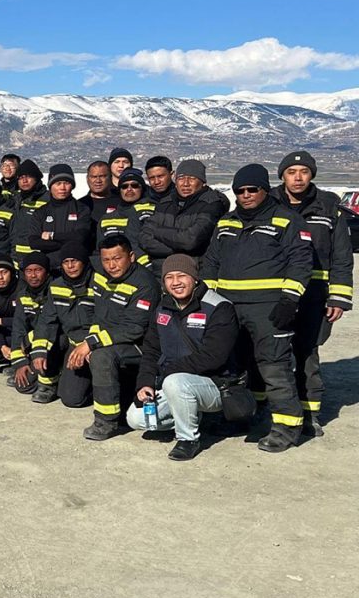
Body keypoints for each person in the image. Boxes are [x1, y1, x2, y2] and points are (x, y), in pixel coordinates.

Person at [201, 164, 313, 453]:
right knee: (235, 368)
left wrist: (290, 299)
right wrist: (210, 299)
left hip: (268, 309)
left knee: (273, 367)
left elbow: (300, 262)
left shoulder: (287, 221)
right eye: (240, 190)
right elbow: (211, 262)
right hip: (228, 309)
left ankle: (287, 427)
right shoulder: (226, 223)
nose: (246, 195)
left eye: (252, 189)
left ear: (265, 189)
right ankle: (241, 416)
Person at [126, 254, 241, 461]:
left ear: (195, 278)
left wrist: (166, 374)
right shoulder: (162, 307)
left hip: (217, 385)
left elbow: (214, 357)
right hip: (175, 383)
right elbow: (151, 350)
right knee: (135, 419)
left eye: (182, 275)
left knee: (175, 382)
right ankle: (190, 415)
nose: (176, 282)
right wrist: (145, 383)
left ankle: (188, 439)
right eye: (169, 277)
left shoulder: (220, 307)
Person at [272, 151, 353, 435]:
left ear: (311, 176)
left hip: (314, 295)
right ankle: (268, 409)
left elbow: (342, 256)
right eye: (291, 172)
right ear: (282, 175)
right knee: (270, 351)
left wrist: (339, 297)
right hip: (275, 294)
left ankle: (310, 413)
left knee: (307, 352)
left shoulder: (328, 207)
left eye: (304, 172)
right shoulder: (268, 203)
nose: (297, 177)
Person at [74, 236, 161, 441]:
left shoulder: (145, 284)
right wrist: (91, 340)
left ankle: (106, 421)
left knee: (102, 356)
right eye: (106, 260)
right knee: (71, 395)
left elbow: (135, 329)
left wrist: (92, 344)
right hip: (111, 340)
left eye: (117, 258)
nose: (111, 265)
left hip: (141, 346)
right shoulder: (101, 277)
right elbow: (99, 315)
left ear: (131, 256)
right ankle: (113, 397)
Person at [29, 242, 96, 407]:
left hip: (96, 344)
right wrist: (39, 351)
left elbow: (107, 319)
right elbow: (46, 320)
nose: (71, 266)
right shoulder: (56, 286)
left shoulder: (99, 284)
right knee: (72, 399)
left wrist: (91, 344)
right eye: (66, 262)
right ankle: (50, 383)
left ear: (84, 261)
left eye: (75, 261)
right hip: (73, 343)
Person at [137, 159, 229, 276]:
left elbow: (191, 240)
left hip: (193, 272)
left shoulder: (211, 204)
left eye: (192, 178)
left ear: (203, 182)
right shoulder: (166, 203)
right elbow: (144, 238)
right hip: (160, 272)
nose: (185, 183)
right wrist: (181, 249)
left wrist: (157, 231)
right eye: (181, 178)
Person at [28, 163, 92, 269]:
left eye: (66, 183)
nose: (62, 187)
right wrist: (68, 243)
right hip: (50, 267)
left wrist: (52, 236)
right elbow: (34, 242)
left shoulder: (81, 209)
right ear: (51, 186)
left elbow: (80, 237)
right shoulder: (41, 212)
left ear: (72, 185)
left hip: (75, 269)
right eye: (58, 183)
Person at [6, 251, 52, 393]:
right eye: (29, 271)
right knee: (23, 385)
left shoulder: (55, 291)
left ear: (47, 272)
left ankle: (52, 383)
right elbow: (18, 328)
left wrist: (29, 340)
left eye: (38, 270)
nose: (33, 275)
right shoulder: (23, 295)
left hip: (55, 344)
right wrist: (20, 362)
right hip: (34, 344)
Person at [9, 159, 47, 263]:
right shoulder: (15, 200)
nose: (24, 181)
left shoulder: (48, 200)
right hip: (17, 259)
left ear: (37, 178)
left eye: (28, 176)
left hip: (40, 260)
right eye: (21, 178)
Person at [81, 160, 118, 230]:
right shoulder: (81, 204)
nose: (98, 181)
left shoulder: (121, 203)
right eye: (94, 177)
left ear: (110, 177)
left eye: (102, 176)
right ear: (87, 179)